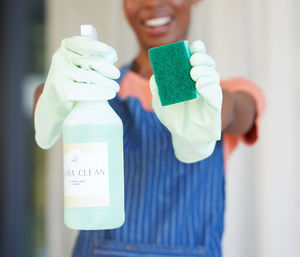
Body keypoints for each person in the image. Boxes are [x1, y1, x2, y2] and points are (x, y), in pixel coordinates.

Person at [34, 0, 265, 256]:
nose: (153, 2)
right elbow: (43, 102)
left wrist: (205, 120)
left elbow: (237, 110)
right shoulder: (94, 87)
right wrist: (52, 98)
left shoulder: (223, 94)